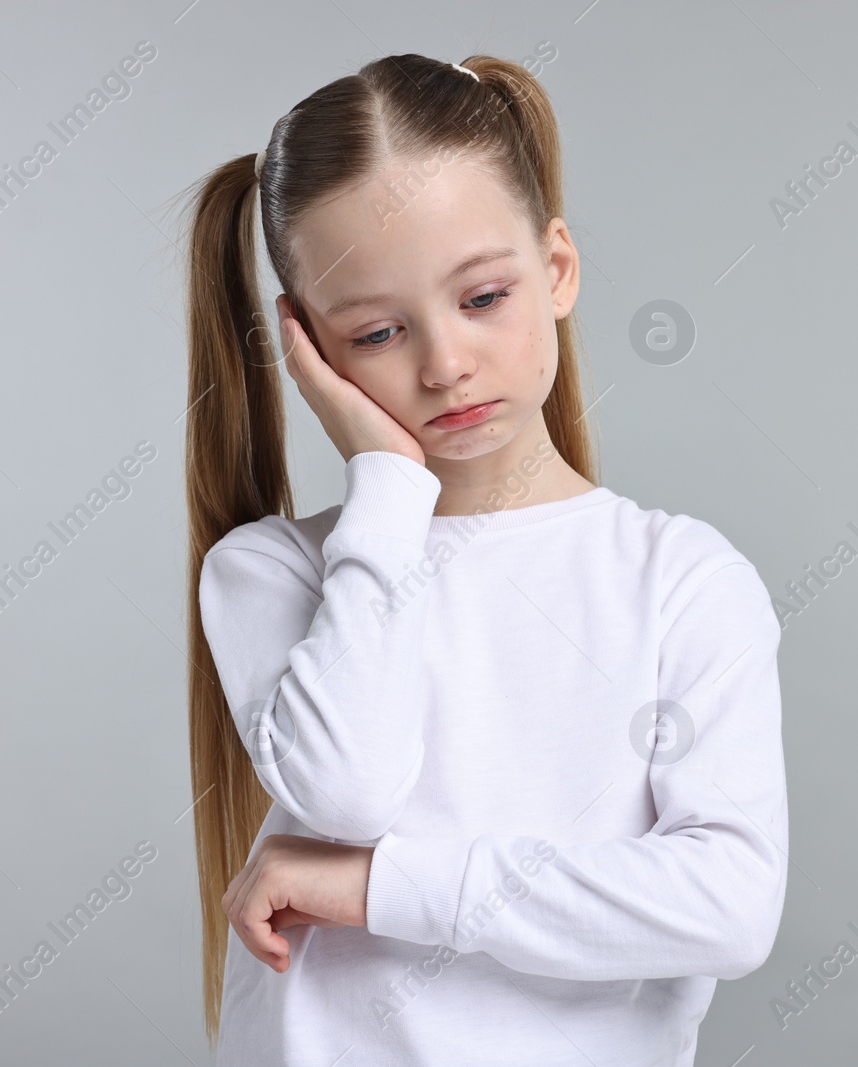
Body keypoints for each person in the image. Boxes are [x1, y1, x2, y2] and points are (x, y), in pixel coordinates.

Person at [180, 52, 788, 1066]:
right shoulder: (272, 572)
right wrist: (384, 481)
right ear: (310, 352)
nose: (443, 363)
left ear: (556, 269)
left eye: (483, 297)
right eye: (375, 331)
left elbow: (726, 905)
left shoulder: (682, 579)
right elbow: (347, 793)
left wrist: (378, 889)